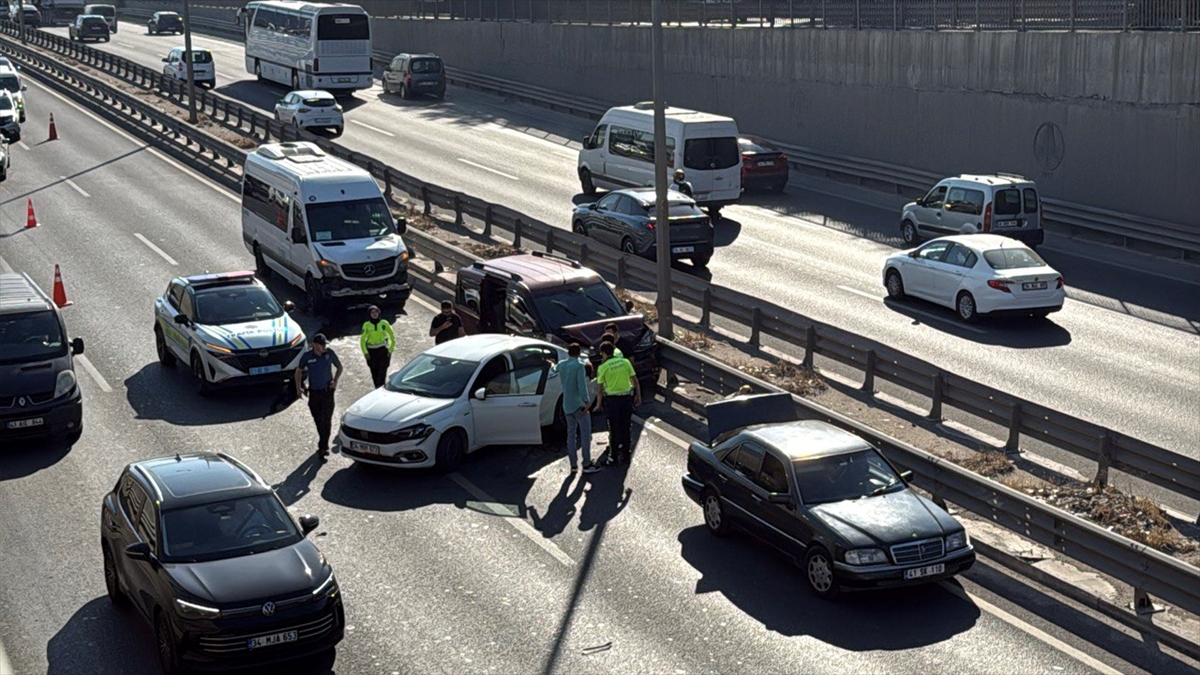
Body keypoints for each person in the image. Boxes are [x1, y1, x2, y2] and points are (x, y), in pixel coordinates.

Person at [550, 343, 599, 474]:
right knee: (585, 435)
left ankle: (573, 465)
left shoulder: (562, 365)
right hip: (579, 405)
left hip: (567, 405)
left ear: (568, 352)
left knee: (571, 435)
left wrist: (551, 363)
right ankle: (587, 463)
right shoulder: (579, 366)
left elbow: (554, 369)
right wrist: (587, 402)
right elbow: (581, 386)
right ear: (578, 353)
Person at [295, 333, 343, 459]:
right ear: (315, 345)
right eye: (322, 345)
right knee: (317, 418)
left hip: (327, 392)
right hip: (314, 393)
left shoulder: (329, 354)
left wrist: (335, 380)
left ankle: (323, 447)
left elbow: (339, 367)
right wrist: (299, 388)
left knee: (326, 420)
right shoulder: (307, 356)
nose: (324, 347)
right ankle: (323, 441)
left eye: (325, 344)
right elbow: (299, 371)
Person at [594, 342, 640, 465]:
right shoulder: (625, 362)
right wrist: (638, 396)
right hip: (626, 399)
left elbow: (599, 389)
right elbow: (635, 380)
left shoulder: (602, 367)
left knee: (614, 430)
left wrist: (598, 405)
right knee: (626, 428)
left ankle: (613, 457)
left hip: (612, 401)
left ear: (603, 353)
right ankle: (626, 455)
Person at [359, 305, 395, 388]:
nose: (374, 314)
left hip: (383, 351)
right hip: (372, 352)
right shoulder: (366, 325)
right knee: (374, 374)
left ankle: (382, 389)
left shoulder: (384, 323)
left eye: (376, 312)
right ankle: (377, 390)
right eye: (372, 312)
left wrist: (390, 349)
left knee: (382, 374)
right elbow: (362, 340)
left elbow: (392, 336)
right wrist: (365, 353)